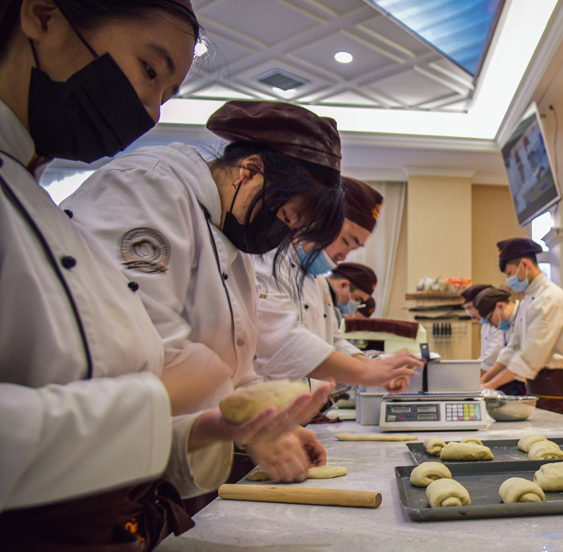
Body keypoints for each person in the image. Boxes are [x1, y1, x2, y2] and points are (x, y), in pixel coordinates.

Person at [0, 0, 322, 552]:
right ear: (42, 17)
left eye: (167, 93)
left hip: (109, 551)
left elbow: (101, 382)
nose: (149, 112)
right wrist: (178, 403)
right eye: (149, 71)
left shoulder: (33, 199)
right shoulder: (147, 186)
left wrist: (211, 427)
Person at [65, 98, 343, 486]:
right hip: (101, 457)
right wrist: (249, 421)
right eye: (286, 217)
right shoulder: (149, 188)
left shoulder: (232, 239)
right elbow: (140, 343)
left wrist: (272, 423)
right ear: (249, 172)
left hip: (175, 460)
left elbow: (237, 363)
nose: (282, 236)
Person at [253, 175, 421, 391]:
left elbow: (333, 340)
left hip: (307, 402)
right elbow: (281, 343)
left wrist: (374, 368)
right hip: (267, 400)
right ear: (320, 220)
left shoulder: (319, 282)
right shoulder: (267, 261)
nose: (344, 256)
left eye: (354, 249)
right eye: (346, 241)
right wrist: (365, 372)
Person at [480, 238, 563, 416]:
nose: (509, 280)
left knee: (556, 432)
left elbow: (531, 354)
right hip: (537, 382)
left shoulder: (549, 297)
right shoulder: (527, 300)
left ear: (525, 264)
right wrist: (484, 380)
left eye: (510, 273)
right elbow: (512, 348)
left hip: (555, 383)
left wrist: (490, 385)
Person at [473, 286, 526, 396]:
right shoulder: (508, 322)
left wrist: (490, 385)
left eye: (489, 319)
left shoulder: (524, 317)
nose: (490, 325)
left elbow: (520, 361)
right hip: (514, 380)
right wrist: (483, 380)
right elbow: (506, 356)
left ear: (500, 306)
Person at [460, 283, 499, 375]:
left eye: (470, 308)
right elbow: (484, 357)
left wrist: (470, 375)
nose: (471, 315)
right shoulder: (485, 325)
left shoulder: (499, 323)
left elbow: (493, 357)